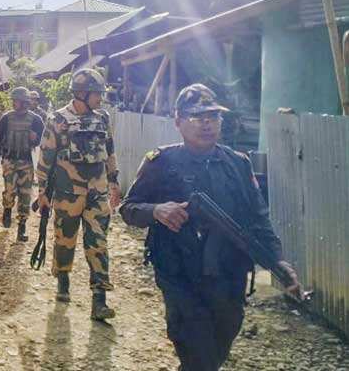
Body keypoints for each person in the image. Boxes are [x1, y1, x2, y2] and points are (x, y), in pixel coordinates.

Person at [120, 84, 301, 371]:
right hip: (179, 274)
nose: (207, 125)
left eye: (213, 118)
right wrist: (157, 210)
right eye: (197, 118)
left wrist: (277, 259)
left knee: (218, 344)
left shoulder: (238, 164)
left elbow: (258, 218)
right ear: (178, 122)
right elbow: (128, 208)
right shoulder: (161, 162)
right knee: (198, 351)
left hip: (228, 274)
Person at [36, 68, 120, 321]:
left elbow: (109, 150)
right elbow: (46, 155)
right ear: (81, 94)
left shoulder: (102, 118)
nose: (101, 99)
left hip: (97, 193)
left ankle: (99, 300)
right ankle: (63, 279)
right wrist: (42, 191)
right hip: (67, 193)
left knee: (98, 244)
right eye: (97, 94)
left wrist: (114, 182)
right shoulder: (58, 119)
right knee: (65, 240)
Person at [0, 86, 44, 242]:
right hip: (9, 161)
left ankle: (22, 226)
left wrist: (36, 139)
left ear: (25, 102)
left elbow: (44, 143)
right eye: (13, 100)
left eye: (17, 101)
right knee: (9, 191)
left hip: (27, 161)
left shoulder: (36, 120)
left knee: (25, 194)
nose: (14, 103)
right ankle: (7, 210)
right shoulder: (6, 119)